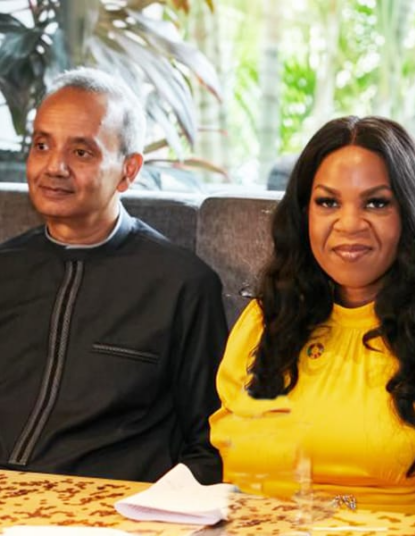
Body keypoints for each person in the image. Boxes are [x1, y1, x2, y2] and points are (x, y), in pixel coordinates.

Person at [209, 116, 415, 515]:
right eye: (328, 202)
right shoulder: (263, 322)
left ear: (412, 214)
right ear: (304, 215)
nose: (350, 224)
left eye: (376, 203)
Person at [0, 67, 228, 484]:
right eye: (41, 145)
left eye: (81, 152)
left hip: (109, 512)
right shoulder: (5, 269)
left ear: (129, 170)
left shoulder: (181, 284)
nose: (54, 167)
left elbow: (211, 445)